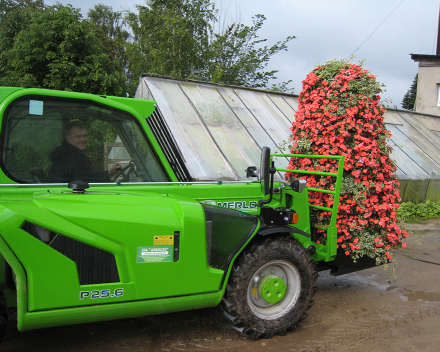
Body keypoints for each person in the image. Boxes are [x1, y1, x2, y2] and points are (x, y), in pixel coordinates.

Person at [48, 121, 121, 183]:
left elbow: (88, 176)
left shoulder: (62, 154)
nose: (83, 140)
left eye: (85, 136)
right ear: (68, 138)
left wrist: (110, 173)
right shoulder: (74, 158)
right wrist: (109, 179)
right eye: (78, 137)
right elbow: (93, 180)